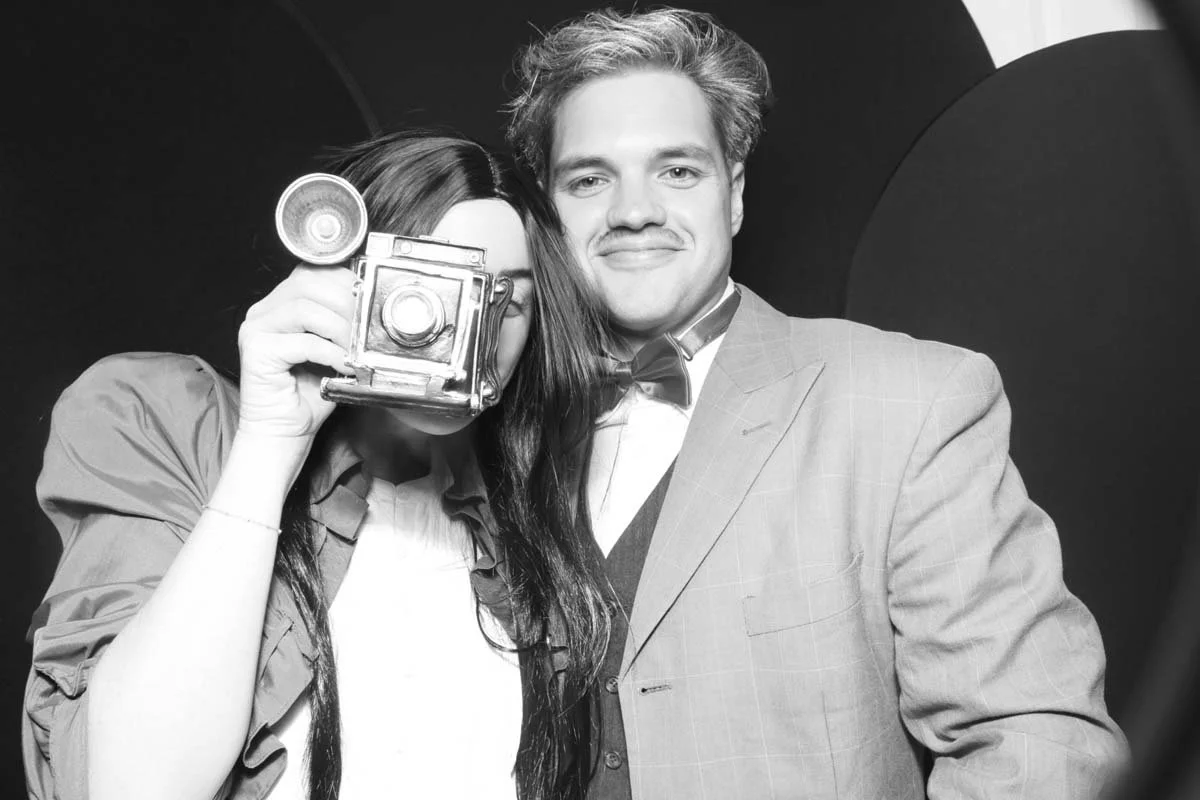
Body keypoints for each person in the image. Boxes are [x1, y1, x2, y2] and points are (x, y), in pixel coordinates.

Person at [504, 7, 1128, 798]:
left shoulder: (908, 403)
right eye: (590, 180)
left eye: (678, 171)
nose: (633, 211)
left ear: (733, 194)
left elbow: (1041, 747)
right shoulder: (490, 422)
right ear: (548, 211)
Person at [22, 131, 611, 800]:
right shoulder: (166, 421)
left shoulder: (548, 499)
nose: (467, 333)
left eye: (507, 300)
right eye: (429, 290)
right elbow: (133, 788)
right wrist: (270, 442)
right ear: (344, 273)